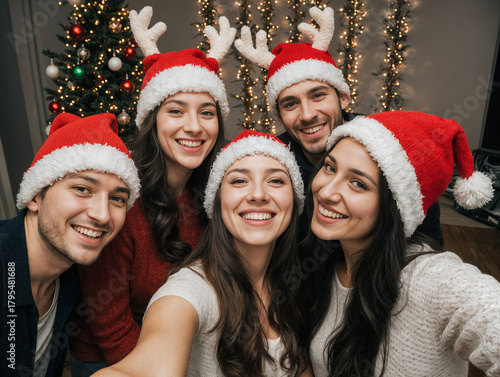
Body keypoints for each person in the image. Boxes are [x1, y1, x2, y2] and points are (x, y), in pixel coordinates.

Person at [67, 7, 235, 376]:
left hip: (178, 347)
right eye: (176, 111)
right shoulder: (119, 195)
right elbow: (110, 325)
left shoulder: (213, 191)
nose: (194, 127)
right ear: (152, 119)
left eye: (207, 113)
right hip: (114, 358)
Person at [92, 130, 312, 376]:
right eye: (239, 181)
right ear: (216, 203)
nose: (258, 195)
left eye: (276, 181)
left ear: (295, 200)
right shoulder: (190, 290)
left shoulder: (297, 281)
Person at [302, 111, 499, 376]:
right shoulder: (324, 263)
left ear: (394, 207)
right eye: (330, 167)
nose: (325, 192)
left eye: (358, 183)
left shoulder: (431, 279)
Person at [234, 6, 444, 245]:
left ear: (343, 97)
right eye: (291, 104)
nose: (307, 114)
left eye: (318, 96)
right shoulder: (274, 162)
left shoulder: (390, 150)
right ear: (280, 118)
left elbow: (427, 245)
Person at [0, 112, 140, 377]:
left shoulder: (71, 278)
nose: (102, 215)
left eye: (118, 199)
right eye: (82, 189)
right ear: (35, 197)